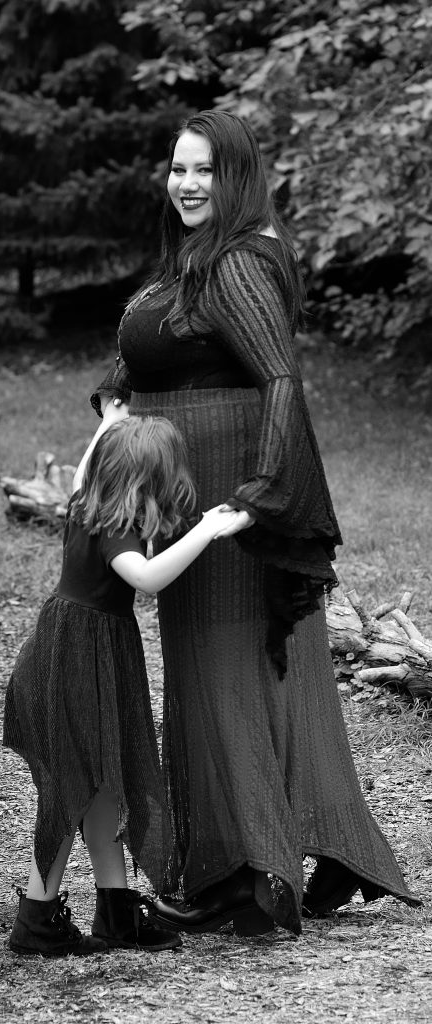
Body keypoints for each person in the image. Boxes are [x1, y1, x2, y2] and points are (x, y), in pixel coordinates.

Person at [91, 110, 421, 936]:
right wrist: (114, 396)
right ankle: (298, 851)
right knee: (255, 666)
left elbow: (279, 376)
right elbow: (167, 346)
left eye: (205, 169)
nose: (187, 183)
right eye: (177, 168)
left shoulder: (240, 257)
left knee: (222, 669)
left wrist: (260, 490)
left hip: (225, 493)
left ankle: (245, 872)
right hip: (193, 487)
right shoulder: (206, 254)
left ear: (237, 176)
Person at [3, 415, 249, 955]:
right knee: (72, 790)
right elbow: (146, 578)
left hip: (81, 653)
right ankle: (36, 921)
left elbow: (84, 469)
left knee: (103, 791)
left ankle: (116, 913)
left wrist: (109, 422)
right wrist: (208, 529)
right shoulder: (117, 528)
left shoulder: (86, 503)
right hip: (79, 661)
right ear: (145, 479)